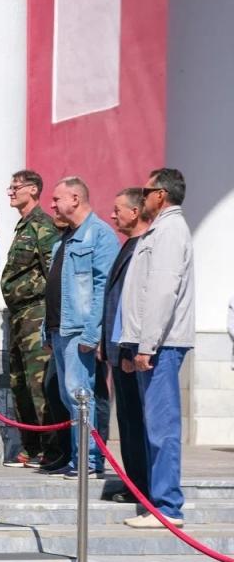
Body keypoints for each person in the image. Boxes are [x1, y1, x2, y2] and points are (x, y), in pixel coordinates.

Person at [120, 168, 195, 528]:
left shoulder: (169, 231)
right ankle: (158, 501)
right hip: (153, 343)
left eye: (146, 190)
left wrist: (147, 345)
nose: (143, 195)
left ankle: (167, 506)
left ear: (161, 195)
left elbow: (162, 291)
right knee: (154, 425)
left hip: (162, 345)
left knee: (161, 427)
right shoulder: (161, 230)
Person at [43, 176, 119, 479]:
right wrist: (47, 331)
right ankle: (77, 458)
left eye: (57, 198)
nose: (52, 205)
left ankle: (88, 461)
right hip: (60, 330)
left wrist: (92, 332)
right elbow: (54, 288)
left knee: (80, 396)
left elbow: (103, 287)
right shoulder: (63, 239)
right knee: (67, 397)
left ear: (75, 198)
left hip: (79, 331)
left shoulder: (100, 235)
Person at [0, 170, 61, 469]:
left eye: (16, 187)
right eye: (10, 187)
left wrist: (50, 318)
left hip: (36, 313)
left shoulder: (42, 226)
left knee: (38, 384)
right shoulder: (23, 227)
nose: (10, 192)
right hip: (19, 316)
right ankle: (31, 448)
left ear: (33, 190)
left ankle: (50, 451)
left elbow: (53, 274)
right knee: (19, 381)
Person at [101, 188, 151, 503]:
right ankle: (133, 483)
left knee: (138, 422)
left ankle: (143, 487)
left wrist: (133, 349)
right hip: (119, 348)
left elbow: (140, 303)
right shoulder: (128, 246)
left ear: (135, 212)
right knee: (128, 422)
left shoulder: (145, 248)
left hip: (132, 350)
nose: (113, 214)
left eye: (118, 209)